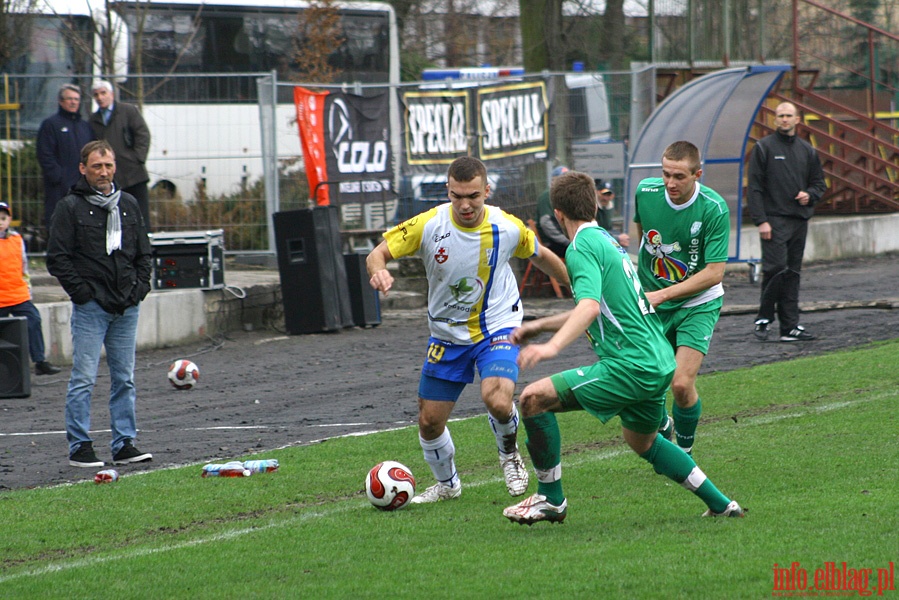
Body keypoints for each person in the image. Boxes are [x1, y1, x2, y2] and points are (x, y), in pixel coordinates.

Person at [502, 170, 743, 525]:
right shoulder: (605, 241)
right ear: (596, 205)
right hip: (658, 361)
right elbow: (606, 305)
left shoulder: (580, 247)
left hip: (630, 364)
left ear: (558, 215)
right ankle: (722, 504)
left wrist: (550, 347)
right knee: (642, 442)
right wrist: (539, 326)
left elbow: (589, 308)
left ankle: (551, 498)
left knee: (533, 400)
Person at [366, 156, 569, 504]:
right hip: (447, 335)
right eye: (457, 195)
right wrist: (378, 270)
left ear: (487, 191)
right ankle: (447, 484)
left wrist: (579, 287)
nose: (465, 204)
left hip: (498, 325)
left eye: (473, 196)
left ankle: (509, 455)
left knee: (498, 399)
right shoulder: (428, 224)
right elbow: (378, 253)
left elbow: (540, 255)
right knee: (429, 422)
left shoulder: (506, 227)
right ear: (448, 191)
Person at [46, 140, 153, 468]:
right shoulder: (69, 207)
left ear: (115, 167)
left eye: (108, 166)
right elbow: (57, 259)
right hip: (92, 308)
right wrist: (83, 294)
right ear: (83, 169)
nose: (103, 172)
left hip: (126, 306)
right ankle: (80, 445)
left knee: (125, 377)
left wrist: (140, 288)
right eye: (96, 166)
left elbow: (143, 252)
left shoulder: (129, 204)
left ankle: (124, 442)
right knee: (83, 378)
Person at [632, 141, 730, 455]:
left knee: (680, 384)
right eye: (666, 174)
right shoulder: (646, 192)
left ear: (697, 174)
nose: (670, 183)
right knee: (644, 383)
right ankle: (663, 424)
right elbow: (642, 235)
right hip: (653, 302)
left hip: (697, 302)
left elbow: (714, 272)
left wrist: (663, 293)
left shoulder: (714, 208)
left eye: (679, 177)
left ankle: (684, 453)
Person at [747, 101, 827, 342]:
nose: (784, 119)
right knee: (775, 269)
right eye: (780, 115)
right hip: (773, 220)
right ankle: (764, 317)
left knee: (792, 272)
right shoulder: (763, 148)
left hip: (799, 221)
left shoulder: (807, 150)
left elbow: (819, 184)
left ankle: (790, 327)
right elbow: (754, 188)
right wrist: (761, 220)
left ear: (797, 119)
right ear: (775, 120)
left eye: (788, 115)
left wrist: (809, 195)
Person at [0, 202, 61, 376]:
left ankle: (40, 361)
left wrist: (27, 290)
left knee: (33, 321)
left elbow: (23, 267)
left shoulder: (17, 240)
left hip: (19, 295)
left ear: (9, 220)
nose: (0, 222)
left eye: (3, 218)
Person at [89, 80, 153, 227]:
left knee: (140, 217)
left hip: (134, 175)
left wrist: (137, 158)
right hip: (110, 178)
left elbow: (143, 135)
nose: (100, 97)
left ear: (111, 94)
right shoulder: (93, 120)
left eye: (103, 93)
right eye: (96, 95)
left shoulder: (128, 111)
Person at [36, 84, 96, 226]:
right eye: (69, 99)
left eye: (76, 99)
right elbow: (45, 154)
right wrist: (58, 176)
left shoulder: (85, 126)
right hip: (58, 189)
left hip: (83, 187)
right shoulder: (50, 125)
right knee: (60, 224)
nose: (73, 102)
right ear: (61, 101)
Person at [535, 165, 571, 256]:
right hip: (552, 243)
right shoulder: (548, 195)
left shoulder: (562, 194)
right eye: (562, 179)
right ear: (553, 180)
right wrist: (567, 241)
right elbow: (546, 224)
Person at [594, 180, 630, 248]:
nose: (605, 198)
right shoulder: (592, 209)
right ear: (597, 193)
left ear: (612, 196)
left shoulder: (611, 208)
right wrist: (617, 238)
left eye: (608, 195)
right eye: (603, 194)